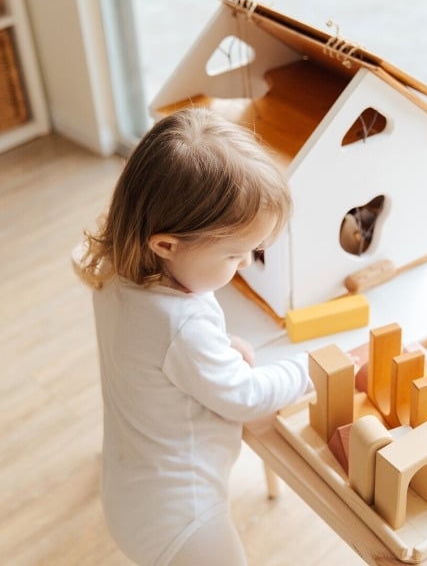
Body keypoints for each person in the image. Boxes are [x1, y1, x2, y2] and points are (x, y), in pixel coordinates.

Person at [77, 108, 310, 565]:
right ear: (166, 245)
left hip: (130, 487)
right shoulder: (181, 326)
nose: (244, 264)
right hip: (183, 518)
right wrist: (308, 369)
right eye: (234, 254)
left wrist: (219, 350)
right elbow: (245, 398)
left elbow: (154, 359)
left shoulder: (116, 278)